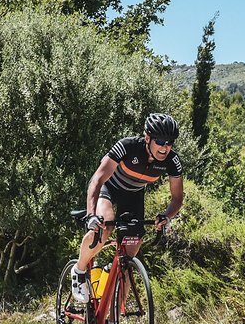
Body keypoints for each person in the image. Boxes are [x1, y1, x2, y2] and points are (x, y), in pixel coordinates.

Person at [70, 113, 184, 309]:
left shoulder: (171, 161)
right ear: (147, 137)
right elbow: (97, 179)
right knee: (104, 227)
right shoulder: (127, 146)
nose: (165, 147)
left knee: (128, 260)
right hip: (109, 188)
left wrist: (166, 216)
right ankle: (79, 271)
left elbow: (177, 198)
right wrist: (91, 216)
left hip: (133, 196)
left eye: (170, 142)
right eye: (160, 141)